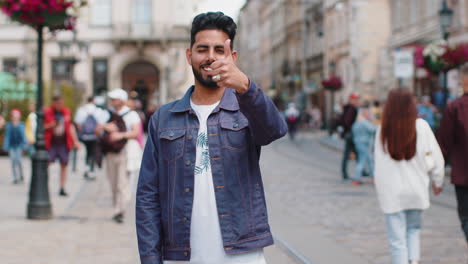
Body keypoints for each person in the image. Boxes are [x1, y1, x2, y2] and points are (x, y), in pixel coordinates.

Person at [136, 12, 287, 264]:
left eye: (220, 50)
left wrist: (246, 87)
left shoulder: (246, 110)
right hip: (180, 254)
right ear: (189, 55)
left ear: (232, 57)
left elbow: (274, 130)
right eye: (202, 49)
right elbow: (148, 195)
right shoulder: (163, 118)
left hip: (241, 253)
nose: (210, 57)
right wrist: (150, 258)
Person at [374, 89, 444, 264]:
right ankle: (413, 261)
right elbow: (436, 157)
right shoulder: (422, 126)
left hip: (392, 193)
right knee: (413, 230)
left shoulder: (383, 130)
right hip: (416, 189)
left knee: (397, 240)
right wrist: (438, 181)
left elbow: (378, 164)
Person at [97, 88, 141, 224]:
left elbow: (136, 132)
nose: (112, 101)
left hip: (124, 151)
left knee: (123, 182)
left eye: (115, 99)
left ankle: (120, 210)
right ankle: (117, 207)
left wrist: (120, 135)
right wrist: (106, 127)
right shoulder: (106, 114)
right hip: (110, 151)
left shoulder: (131, 115)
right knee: (113, 182)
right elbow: (97, 131)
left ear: (121, 100)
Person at [437, 63, 468, 244]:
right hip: (463, 175)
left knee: (466, 218)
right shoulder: (455, 108)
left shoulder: (455, 108)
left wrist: (437, 176)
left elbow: (443, 145)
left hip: (464, 176)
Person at [44, 95, 80, 196]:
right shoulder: (47, 112)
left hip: (63, 142)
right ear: (54, 103)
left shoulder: (66, 112)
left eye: (61, 103)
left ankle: (62, 187)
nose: (60, 105)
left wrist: (75, 141)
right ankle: (45, 186)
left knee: (64, 164)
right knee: (47, 163)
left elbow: (71, 127)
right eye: (57, 103)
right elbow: (41, 127)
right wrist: (52, 124)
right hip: (51, 142)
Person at [74, 96, 105, 180]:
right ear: (94, 101)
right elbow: (101, 123)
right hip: (95, 136)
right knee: (93, 152)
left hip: (85, 136)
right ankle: (92, 169)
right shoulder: (98, 110)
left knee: (87, 152)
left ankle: (87, 168)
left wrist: (83, 132)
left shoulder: (81, 110)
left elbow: (78, 124)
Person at [351, 107, 376, 185]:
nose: (369, 114)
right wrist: (373, 121)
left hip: (358, 143)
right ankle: (356, 178)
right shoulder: (364, 122)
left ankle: (373, 176)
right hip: (365, 143)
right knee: (362, 161)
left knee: (369, 160)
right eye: (368, 113)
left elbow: (353, 131)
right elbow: (373, 130)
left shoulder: (357, 122)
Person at [3, 109, 27, 184]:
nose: (15, 118)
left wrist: (25, 144)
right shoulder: (9, 125)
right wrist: (5, 146)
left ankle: (21, 176)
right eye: (14, 116)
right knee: (13, 161)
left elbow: (23, 135)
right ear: (12, 117)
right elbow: (7, 136)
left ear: (19, 117)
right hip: (11, 146)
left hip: (19, 146)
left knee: (18, 161)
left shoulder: (21, 125)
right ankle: (15, 178)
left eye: (16, 116)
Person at [340, 92, 360, 181]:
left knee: (355, 153)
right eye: (355, 99)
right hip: (350, 134)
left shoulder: (348, 108)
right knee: (350, 154)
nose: (357, 101)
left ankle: (360, 171)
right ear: (351, 99)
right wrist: (352, 129)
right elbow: (347, 122)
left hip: (349, 134)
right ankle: (346, 173)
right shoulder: (351, 109)